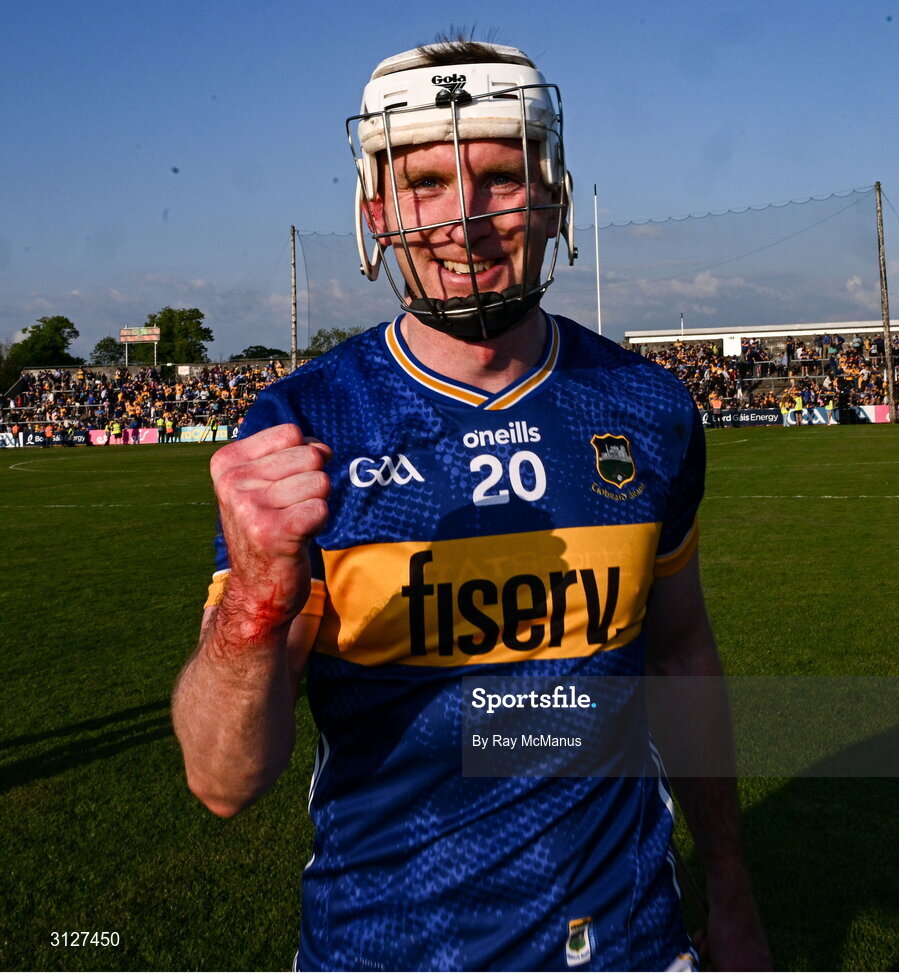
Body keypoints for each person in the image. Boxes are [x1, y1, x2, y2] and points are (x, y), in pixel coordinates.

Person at [171, 37, 769, 972]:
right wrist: (254, 604)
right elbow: (221, 780)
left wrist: (730, 892)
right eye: (425, 185)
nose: (464, 221)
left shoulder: (647, 409)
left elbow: (683, 652)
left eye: (496, 177)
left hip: (629, 946)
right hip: (382, 949)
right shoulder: (303, 423)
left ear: (554, 196)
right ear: (375, 209)